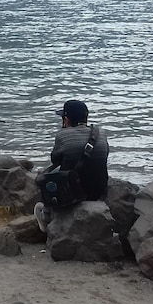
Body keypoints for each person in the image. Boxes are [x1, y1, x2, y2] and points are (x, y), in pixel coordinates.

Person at [33, 99, 109, 232]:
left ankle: (46, 216)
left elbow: (55, 159)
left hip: (70, 194)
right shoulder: (101, 133)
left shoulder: (63, 135)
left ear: (66, 119)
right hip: (99, 191)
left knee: (44, 175)